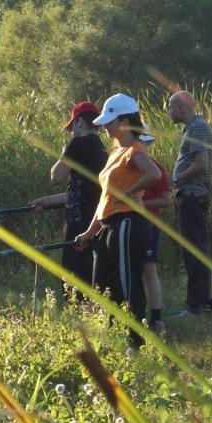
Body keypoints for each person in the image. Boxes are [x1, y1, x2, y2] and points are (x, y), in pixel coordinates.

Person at [75, 94, 161, 350]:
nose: (105, 126)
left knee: (127, 282)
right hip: (110, 225)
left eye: (110, 121)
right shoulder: (116, 152)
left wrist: (129, 192)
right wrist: (89, 232)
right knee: (105, 284)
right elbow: (106, 199)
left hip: (128, 224)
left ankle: (135, 342)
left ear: (124, 122)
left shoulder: (135, 150)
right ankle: (112, 339)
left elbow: (154, 174)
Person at [31, 102, 108, 293]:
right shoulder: (102, 149)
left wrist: (65, 151)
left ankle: (75, 312)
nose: (71, 131)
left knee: (72, 273)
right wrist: (47, 201)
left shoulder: (77, 143)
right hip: (97, 218)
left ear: (80, 122)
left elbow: (55, 176)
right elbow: (83, 189)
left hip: (78, 219)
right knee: (91, 270)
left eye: (72, 126)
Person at [169, 90, 212, 314]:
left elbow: (200, 164)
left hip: (192, 195)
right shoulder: (191, 128)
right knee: (191, 249)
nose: (169, 112)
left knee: (194, 249)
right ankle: (197, 302)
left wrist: (175, 178)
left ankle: (197, 305)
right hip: (187, 195)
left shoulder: (198, 127)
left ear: (180, 107)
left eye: (171, 107)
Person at [138, 134, 172, 333]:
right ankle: (137, 315)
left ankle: (156, 319)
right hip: (127, 225)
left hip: (149, 225)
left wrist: (141, 205)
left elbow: (166, 200)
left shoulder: (157, 168)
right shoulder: (122, 166)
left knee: (149, 271)